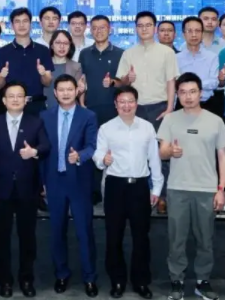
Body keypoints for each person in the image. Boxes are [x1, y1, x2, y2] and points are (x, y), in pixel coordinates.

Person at [157, 72, 225, 300]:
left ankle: (203, 281)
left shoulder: (215, 121)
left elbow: (223, 157)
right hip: (177, 188)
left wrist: (221, 189)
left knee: (205, 240)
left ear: (201, 93)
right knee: (176, 240)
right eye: (183, 92)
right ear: (177, 95)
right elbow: (162, 152)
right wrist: (170, 151)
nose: (188, 97)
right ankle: (176, 281)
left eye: (192, 92)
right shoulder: (170, 119)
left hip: (207, 189)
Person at [94, 86, 162, 299]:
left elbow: (154, 159)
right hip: (115, 186)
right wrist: (103, 159)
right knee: (114, 236)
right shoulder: (106, 128)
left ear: (136, 103)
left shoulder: (147, 128)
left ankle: (141, 281)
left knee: (141, 237)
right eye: (122, 102)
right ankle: (117, 281)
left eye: (130, 101)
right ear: (116, 104)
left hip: (140, 186)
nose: (126, 105)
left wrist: (156, 188)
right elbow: (98, 155)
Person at [0, 82, 51, 298]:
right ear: (4, 100)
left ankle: (26, 280)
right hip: (1, 189)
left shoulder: (35, 122)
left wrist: (34, 152)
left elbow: (46, 146)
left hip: (27, 188)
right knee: (1, 237)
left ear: (25, 100)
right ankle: (4, 281)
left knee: (27, 237)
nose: (15, 99)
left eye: (19, 96)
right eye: (11, 96)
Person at [39, 75, 98, 297]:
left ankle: (89, 277)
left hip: (79, 182)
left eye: (69, 89)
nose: (65, 93)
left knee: (84, 232)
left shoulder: (88, 116)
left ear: (77, 91)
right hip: (54, 181)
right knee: (57, 231)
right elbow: (42, 151)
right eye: (61, 90)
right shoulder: (45, 116)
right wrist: (42, 182)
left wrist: (80, 156)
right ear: (55, 93)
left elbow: (93, 146)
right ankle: (61, 274)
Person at [118, 11, 179, 213]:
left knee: (162, 154)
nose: (144, 29)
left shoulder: (167, 52)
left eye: (148, 25)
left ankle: (162, 197)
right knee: (137, 152)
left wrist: (170, 108)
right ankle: (141, 195)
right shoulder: (128, 53)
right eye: (140, 25)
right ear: (136, 28)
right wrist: (127, 79)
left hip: (159, 107)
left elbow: (171, 81)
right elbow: (121, 83)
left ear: (154, 28)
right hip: (135, 109)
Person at [78, 14, 124, 205]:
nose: (98, 31)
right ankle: (94, 190)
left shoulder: (120, 53)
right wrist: (81, 104)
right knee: (93, 149)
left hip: (113, 110)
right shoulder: (84, 53)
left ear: (110, 29)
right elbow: (81, 81)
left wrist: (113, 82)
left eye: (102, 27)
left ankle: (115, 191)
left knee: (115, 149)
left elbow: (124, 82)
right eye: (95, 28)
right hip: (90, 109)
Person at [0, 8, 55, 116]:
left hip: (36, 105)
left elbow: (48, 82)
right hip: (12, 106)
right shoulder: (3, 52)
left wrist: (43, 74)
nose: (21, 25)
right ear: (12, 26)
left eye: (25, 21)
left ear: (31, 24)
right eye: (17, 21)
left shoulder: (43, 50)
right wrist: (2, 76)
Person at [176, 17, 219, 110]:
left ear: (202, 34)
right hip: (182, 105)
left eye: (197, 31)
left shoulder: (212, 57)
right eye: (189, 31)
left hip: (207, 104)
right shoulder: (176, 58)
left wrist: (190, 85)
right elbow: (176, 83)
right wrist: (201, 85)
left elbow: (214, 82)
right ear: (183, 35)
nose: (194, 35)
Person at [45, 30, 84, 108]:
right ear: (52, 45)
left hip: (68, 109)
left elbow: (77, 94)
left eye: (66, 43)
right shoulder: (43, 65)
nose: (62, 46)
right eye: (58, 43)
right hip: (45, 109)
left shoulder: (76, 66)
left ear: (70, 46)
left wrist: (80, 90)